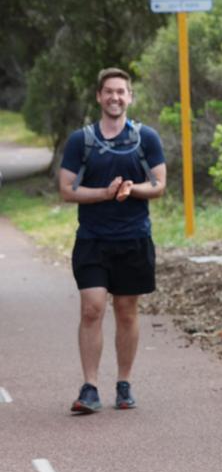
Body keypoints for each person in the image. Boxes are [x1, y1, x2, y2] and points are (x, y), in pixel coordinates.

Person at [58, 67, 166, 414]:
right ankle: (89, 387)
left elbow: (159, 185)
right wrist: (104, 194)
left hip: (134, 238)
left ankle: (124, 382)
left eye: (121, 92)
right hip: (92, 239)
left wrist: (133, 190)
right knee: (92, 308)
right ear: (99, 97)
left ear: (129, 97)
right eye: (109, 92)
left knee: (126, 310)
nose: (115, 97)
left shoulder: (145, 138)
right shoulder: (81, 140)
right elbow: (66, 190)